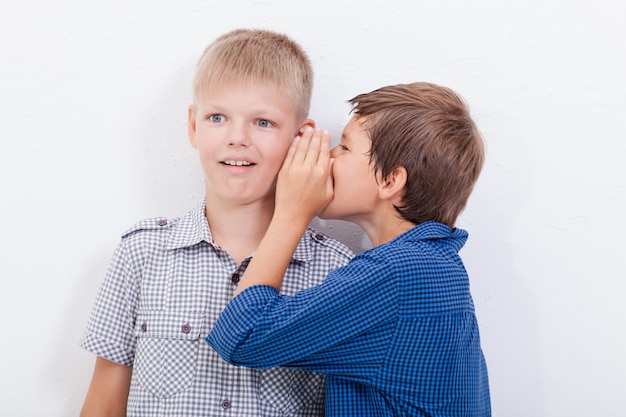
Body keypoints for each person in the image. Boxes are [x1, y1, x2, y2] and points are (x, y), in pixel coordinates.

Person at [79, 28, 354, 417]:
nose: (237, 137)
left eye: (263, 122)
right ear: (193, 126)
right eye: (218, 117)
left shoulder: (337, 270)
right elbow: (103, 407)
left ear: (300, 137)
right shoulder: (141, 254)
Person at [207, 82, 492, 416]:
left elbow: (242, 336)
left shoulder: (397, 274)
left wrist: (290, 213)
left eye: (343, 147)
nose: (328, 157)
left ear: (390, 182)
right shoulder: (435, 266)